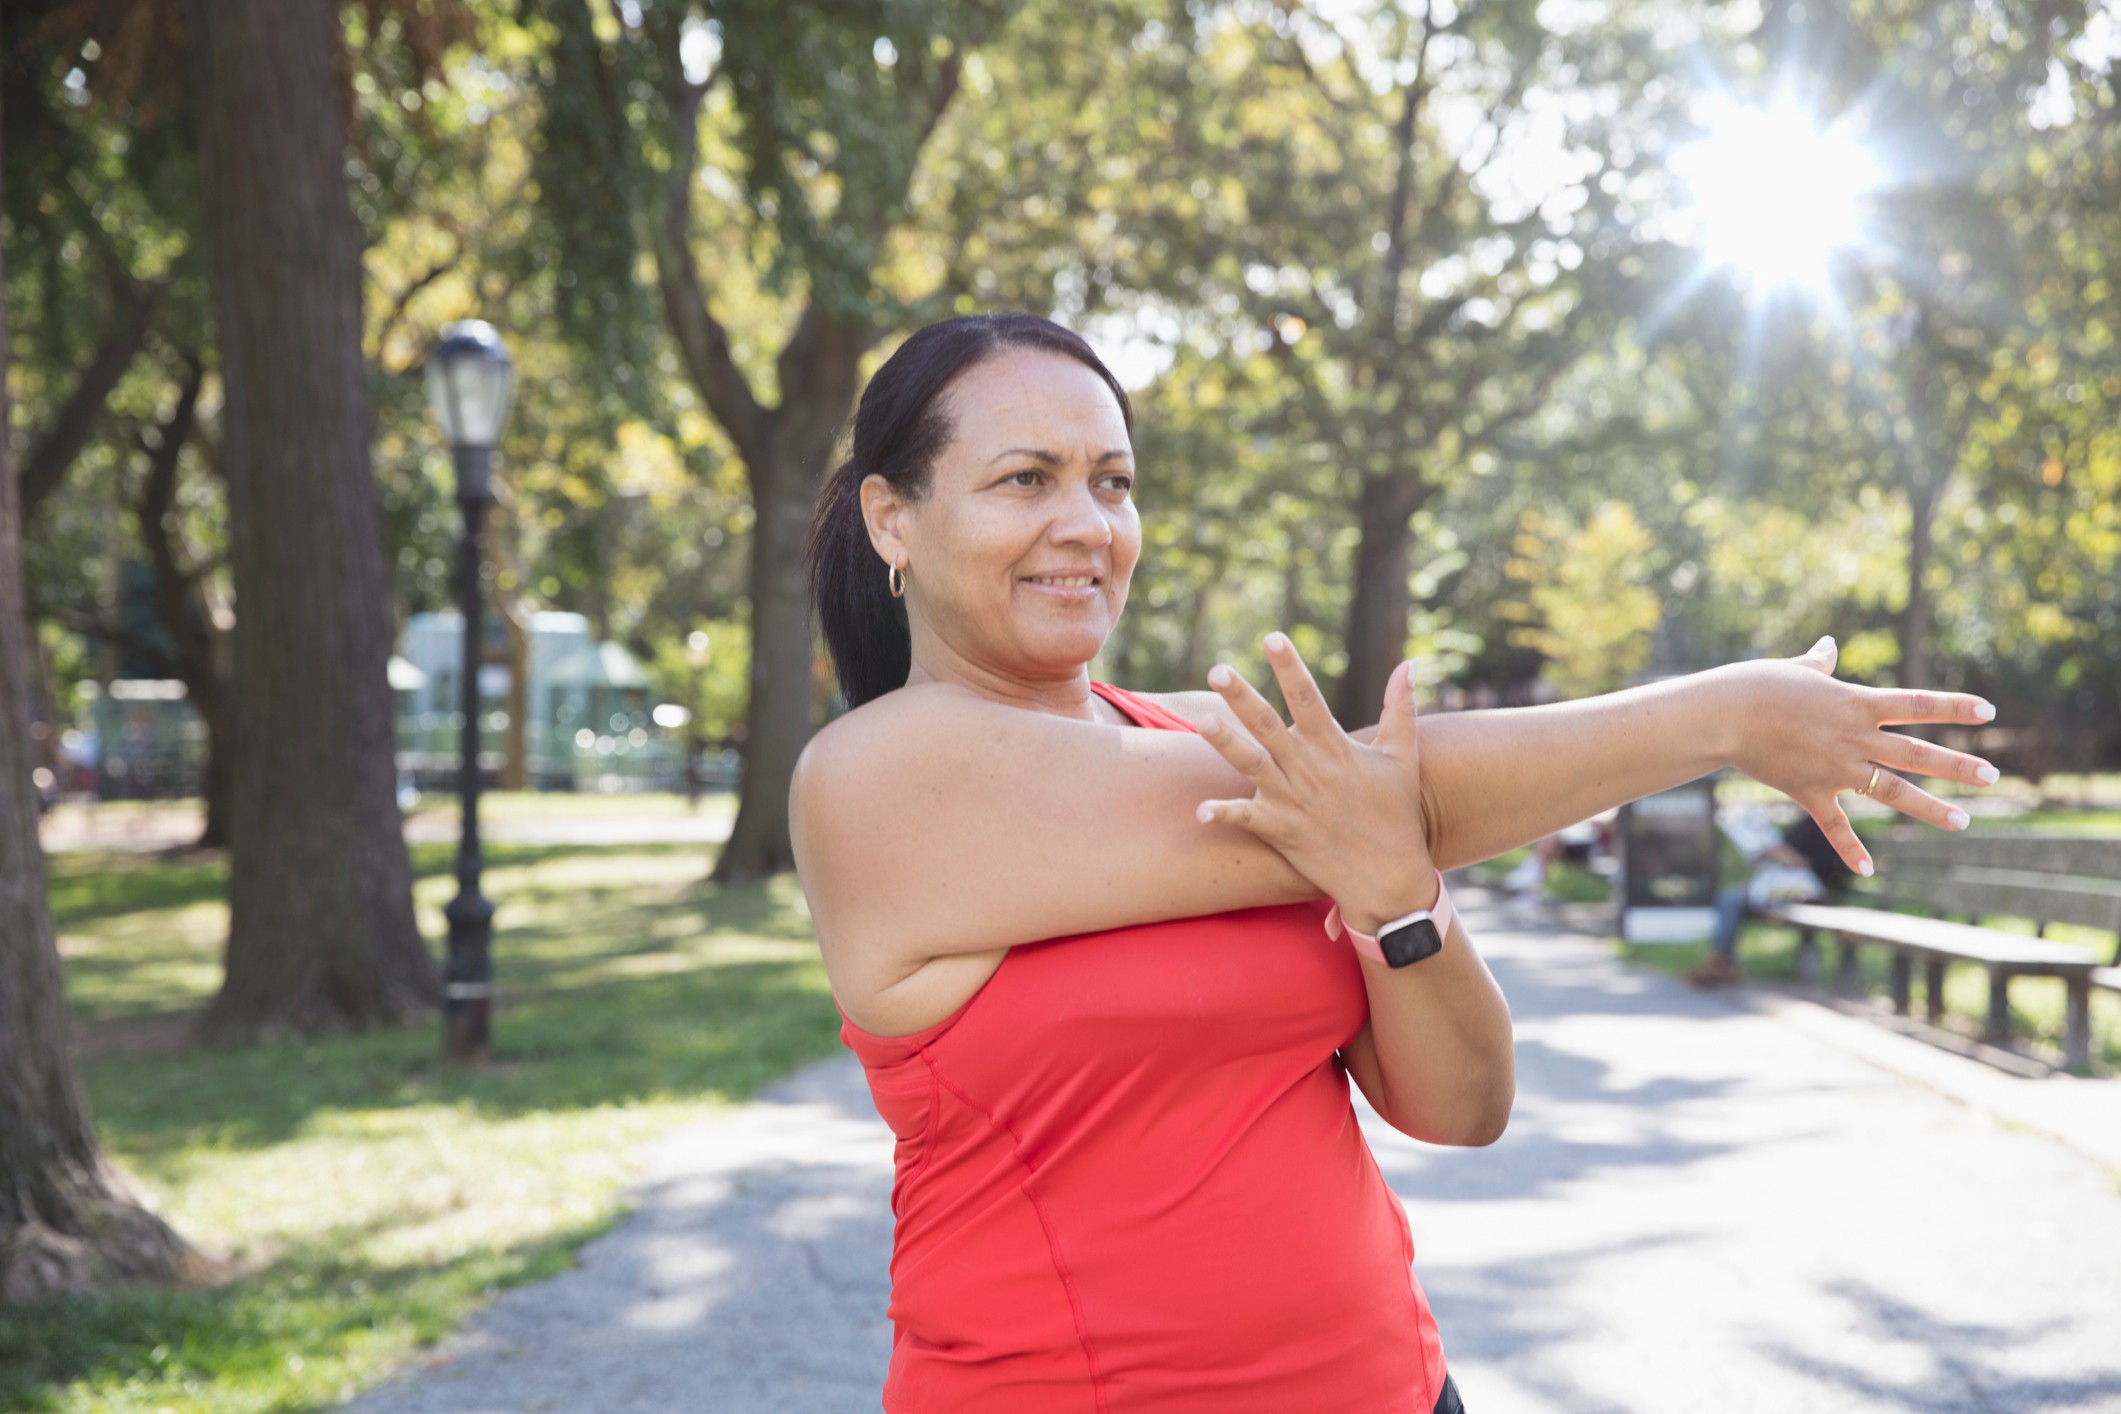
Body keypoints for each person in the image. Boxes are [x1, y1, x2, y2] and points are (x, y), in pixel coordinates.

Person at [787, 312, 2000, 1413]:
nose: (1088, 525)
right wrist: (1727, 716)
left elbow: (1463, 1106)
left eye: (1113, 481)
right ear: (894, 516)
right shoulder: (875, 778)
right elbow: (1402, 784)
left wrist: (1397, 900)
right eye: (1024, 479)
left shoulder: (1193, 736)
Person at [1686, 806, 1858, 987]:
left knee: (1733, 899)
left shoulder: (1827, 829)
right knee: (1730, 898)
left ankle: (1721, 963)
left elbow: (1819, 867)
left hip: (1809, 892)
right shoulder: (1804, 825)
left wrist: (1790, 859)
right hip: (1782, 887)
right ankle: (1722, 961)